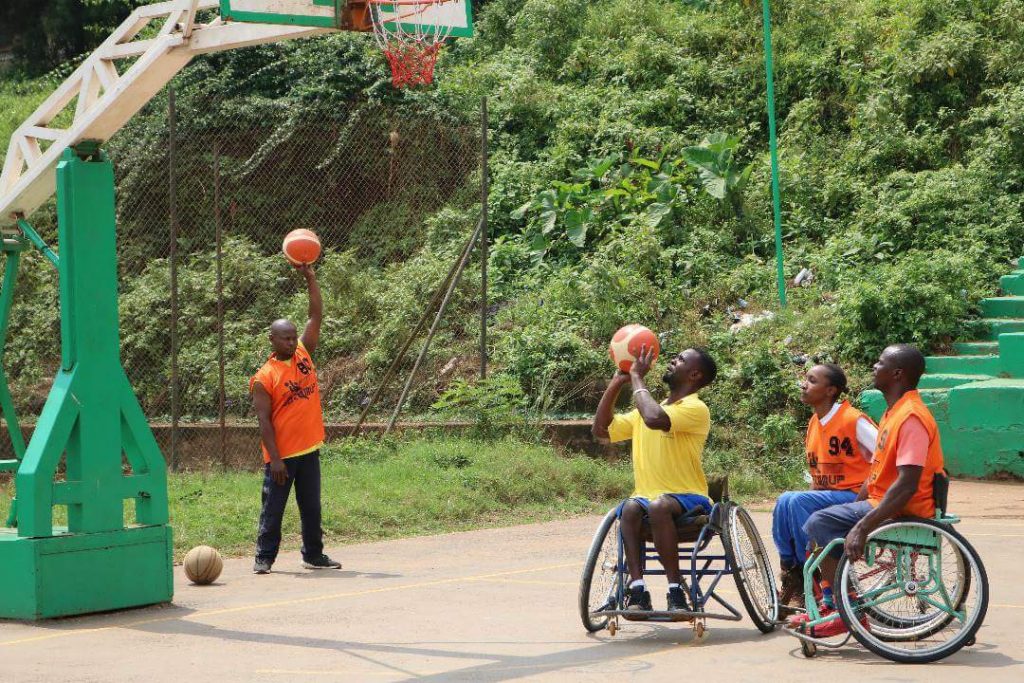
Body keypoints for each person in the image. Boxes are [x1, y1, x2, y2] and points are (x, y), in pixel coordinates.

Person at [790, 344, 944, 636]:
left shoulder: (910, 417)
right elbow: (876, 474)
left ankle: (844, 609)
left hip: (905, 507)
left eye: (880, 363)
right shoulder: (893, 413)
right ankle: (831, 602)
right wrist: (853, 508)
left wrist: (863, 525)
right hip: (882, 500)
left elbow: (907, 483)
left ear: (897, 373)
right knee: (821, 518)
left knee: (819, 521)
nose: (874, 366)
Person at [592, 345, 718, 613]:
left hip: (690, 498)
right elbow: (601, 431)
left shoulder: (696, 408)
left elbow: (654, 418)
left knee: (659, 505)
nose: (673, 360)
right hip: (648, 499)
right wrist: (618, 382)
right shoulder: (646, 408)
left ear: (695, 375)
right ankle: (637, 589)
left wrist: (637, 377)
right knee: (629, 507)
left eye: (681, 359)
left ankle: (675, 593)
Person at [250, 264, 341, 574]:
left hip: (308, 450)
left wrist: (311, 278)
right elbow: (263, 421)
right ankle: (264, 557)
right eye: (284, 338)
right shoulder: (265, 377)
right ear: (272, 340)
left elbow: (316, 316)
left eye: (292, 337)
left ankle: (313, 555)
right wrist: (275, 459)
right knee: (273, 509)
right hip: (282, 457)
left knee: (311, 508)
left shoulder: (304, 353)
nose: (291, 342)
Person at [772, 364, 877, 611]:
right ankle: (793, 570)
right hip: (830, 494)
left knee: (795, 500)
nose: (804, 384)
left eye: (811, 380)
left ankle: (808, 576)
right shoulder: (814, 423)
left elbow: (885, 457)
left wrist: (859, 500)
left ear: (830, 390)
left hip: (856, 495)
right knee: (785, 501)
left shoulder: (852, 420)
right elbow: (818, 477)